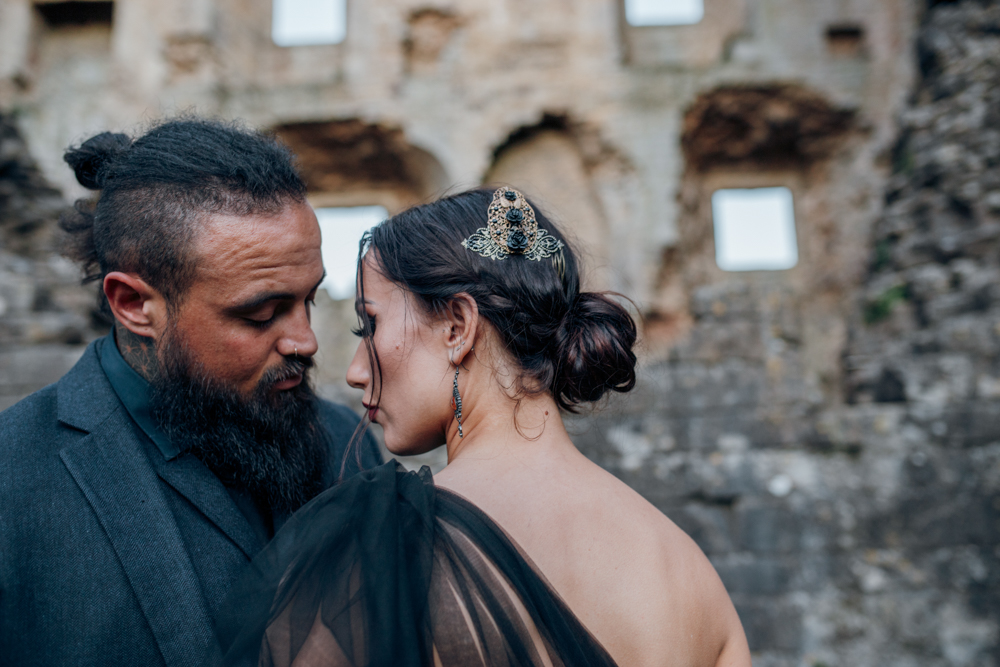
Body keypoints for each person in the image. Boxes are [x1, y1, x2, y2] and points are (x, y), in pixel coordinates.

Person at [213, 187, 751, 666]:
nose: (356, 371)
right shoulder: (688, 571)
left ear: (457, 327)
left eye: (369, 324)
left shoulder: (389, 543)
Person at [0, 118, 381, 667]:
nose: (305, 340)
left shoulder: (351, 443)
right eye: (260, 314)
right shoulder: (12, 480)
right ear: (134, 304)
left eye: (310, 300)